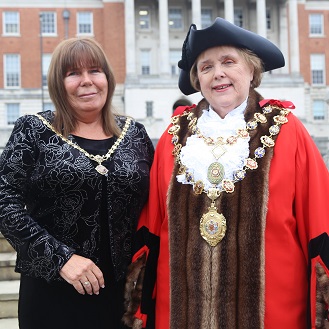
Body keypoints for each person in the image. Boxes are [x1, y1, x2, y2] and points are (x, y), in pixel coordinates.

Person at [122, 17, 329, 329]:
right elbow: (150, 231)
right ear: (197, 80)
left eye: (228, 62)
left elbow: (320, 225)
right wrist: (138, 311)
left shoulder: (288, 131)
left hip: (275, 316)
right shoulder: (172, 137)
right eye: (205, 67)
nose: (217, 73)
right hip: (179, 315)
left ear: (251, 71)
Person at [0, 37, 154, 329]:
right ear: (59, 84)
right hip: (54, 292)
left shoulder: (135, 133)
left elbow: (158, 200)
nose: (87, 81)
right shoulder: (33, 129)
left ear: (107, 78)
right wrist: (61, 260)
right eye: (73, 74)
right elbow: (4, 201)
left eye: (95, 71)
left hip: (123, 295)